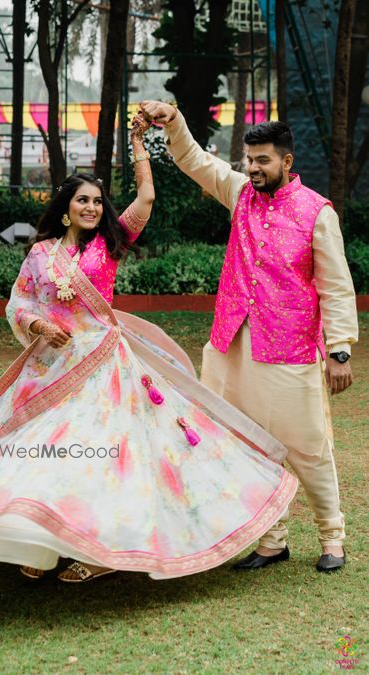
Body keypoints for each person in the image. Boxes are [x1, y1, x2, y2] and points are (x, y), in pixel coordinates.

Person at [0, 114, 298, 583]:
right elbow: (19, 301)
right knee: (47, 450)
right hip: (54, 369)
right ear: (66, 208)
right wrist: (38, 322)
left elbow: (147, 198)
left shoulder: (110, 245)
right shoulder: (41, 254)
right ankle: (41, 540)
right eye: (83, 200)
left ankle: (103, 552)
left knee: (106, 452)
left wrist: (139, 144)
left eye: (98, 201)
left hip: (108, 369)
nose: (92, 208)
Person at [140, 101, 359, 573]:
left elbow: (337, 285)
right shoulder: (240, 194)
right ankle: (272, 541)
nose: (253, 168)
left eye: (263, 160)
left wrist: (339, 349)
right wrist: (175, 120)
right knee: (245, 443)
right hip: (232, 342)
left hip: (290, 345)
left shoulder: (316, 213)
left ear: (287, 162)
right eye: (249, 159)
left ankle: (332, 536)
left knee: (306, 445)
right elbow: (195, 160)